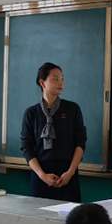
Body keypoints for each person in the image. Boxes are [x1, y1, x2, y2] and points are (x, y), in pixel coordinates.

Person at [20, 62, 87, 202]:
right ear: (42, 83)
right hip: (41, 176)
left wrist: (70, 172)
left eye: (62, 78)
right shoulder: (31, 113)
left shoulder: (72, 109)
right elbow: (27, 148)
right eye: (55, 79)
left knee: (71, 221)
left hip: (68, 174)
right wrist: (42, 175)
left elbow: (80, 143)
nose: (60, 82)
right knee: (40, 220)